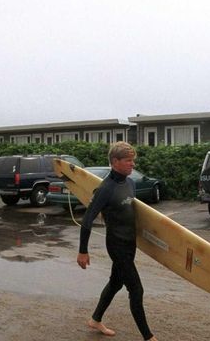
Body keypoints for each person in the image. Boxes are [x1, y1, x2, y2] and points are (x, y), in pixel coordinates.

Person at [77, 142, 158, 341]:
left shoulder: (130, 183)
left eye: (133, 160)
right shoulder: (106, 188)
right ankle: (148, 337)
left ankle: (95, 320)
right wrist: (82, 251)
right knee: (136, 289)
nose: (132, 164)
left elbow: (132, 213)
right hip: (117, 245)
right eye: (128, 160)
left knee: (115, 283)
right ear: (115, 162)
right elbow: (87, 220)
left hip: (130, 243)